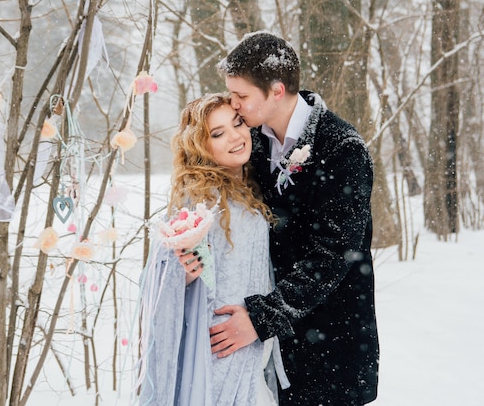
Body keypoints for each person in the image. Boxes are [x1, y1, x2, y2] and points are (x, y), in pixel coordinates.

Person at [208, 31, 380, 406]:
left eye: (241, 96)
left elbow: (334, 255)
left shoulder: (342, 150)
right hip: (272, 353)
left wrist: (260, 318)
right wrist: (194, 254)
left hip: (331, 346)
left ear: (276, 90)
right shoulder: (251, 142)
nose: (234, 107)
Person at [138, 93, 289, 406]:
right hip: (217, 349)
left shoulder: (249, 186)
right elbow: (164, 275)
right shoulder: (200, 199)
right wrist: (185, 273)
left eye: (237, 124)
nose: (235, 136)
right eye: (218, 133)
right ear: (200, 146)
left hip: (250, 340)